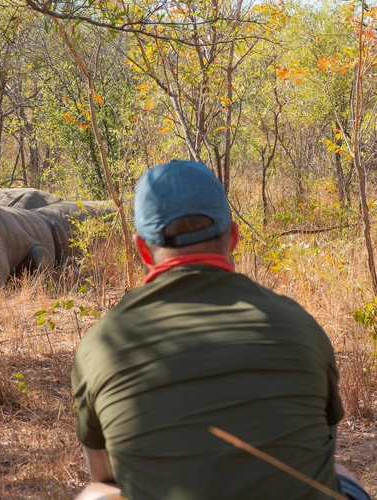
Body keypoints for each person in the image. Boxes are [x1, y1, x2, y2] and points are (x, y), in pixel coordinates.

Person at [71, 160, 370, 500]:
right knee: (341, 472)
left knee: (96, 494)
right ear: (234, 236)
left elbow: (105, 473)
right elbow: (322, 447)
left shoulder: (100, 344)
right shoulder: (300, 325)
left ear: (142, 249)